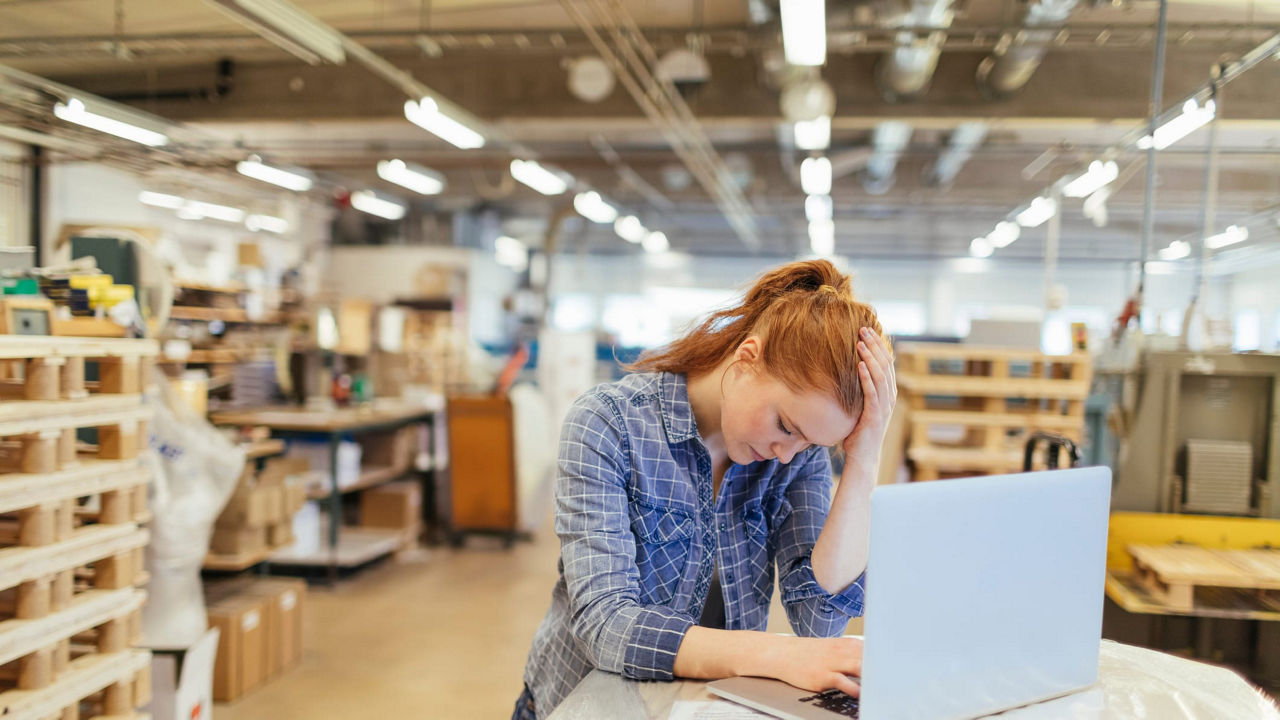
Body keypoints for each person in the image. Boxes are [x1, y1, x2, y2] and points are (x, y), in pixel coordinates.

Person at [513, 259, 897, 719]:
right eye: (784, 425)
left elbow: (820, 623)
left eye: (811, 442)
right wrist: (776, 655)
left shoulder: (796, 455)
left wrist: (864, 458)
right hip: (588, 704)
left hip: (703, 706)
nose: (786, 454)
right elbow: (606, 628)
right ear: (746, 358)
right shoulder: (610, 425)